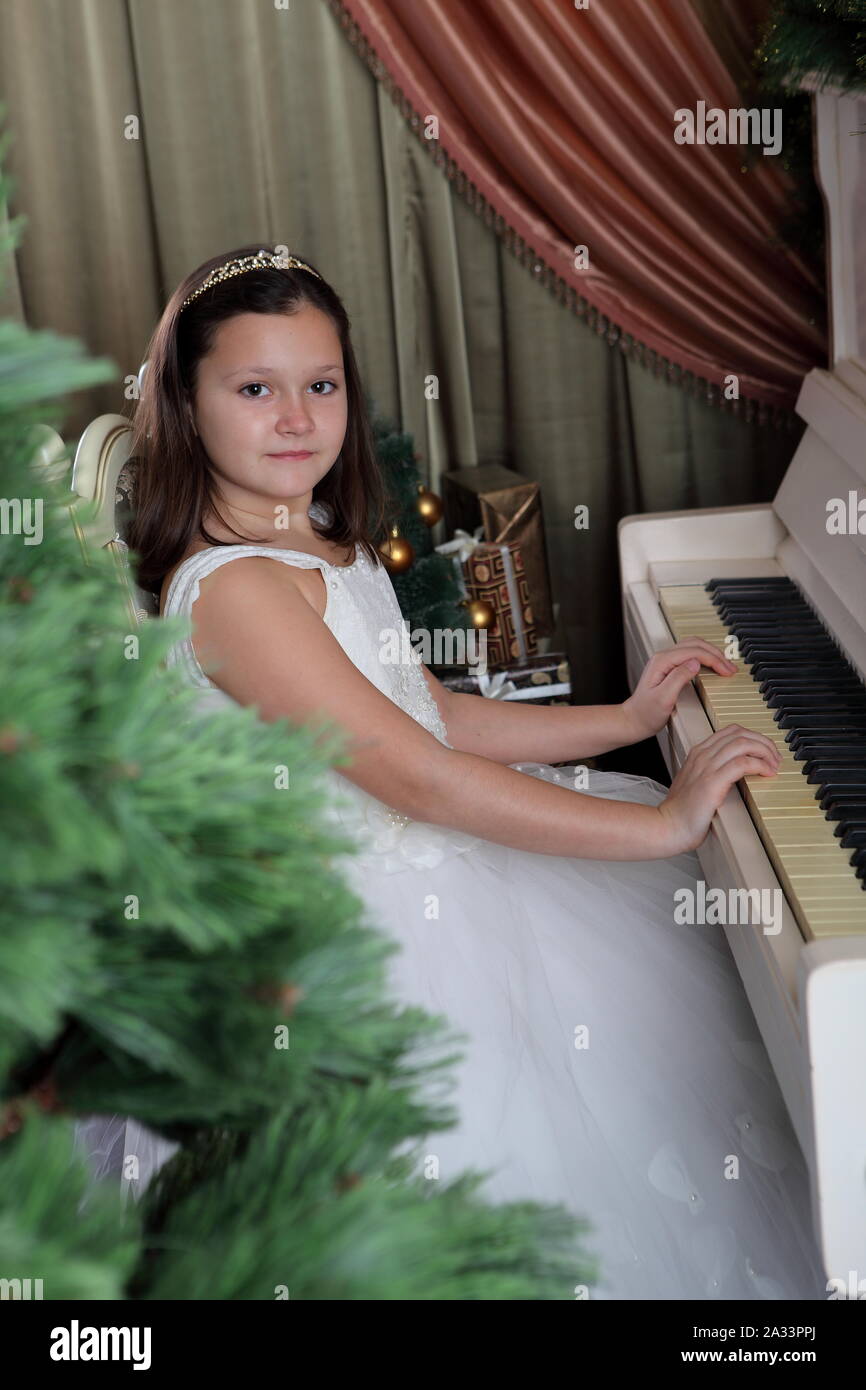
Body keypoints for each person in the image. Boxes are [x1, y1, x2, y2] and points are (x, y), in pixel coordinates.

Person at [108, 244, 826, 1298]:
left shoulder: (315, 540)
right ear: (186, 401)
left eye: (322, 384)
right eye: (254, 389)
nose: (297, 418)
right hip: (358, 929)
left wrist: (618, 719)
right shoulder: (237, 590)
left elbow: (429, 713)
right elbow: (419, 779)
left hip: (436, 858)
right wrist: (663, 822)